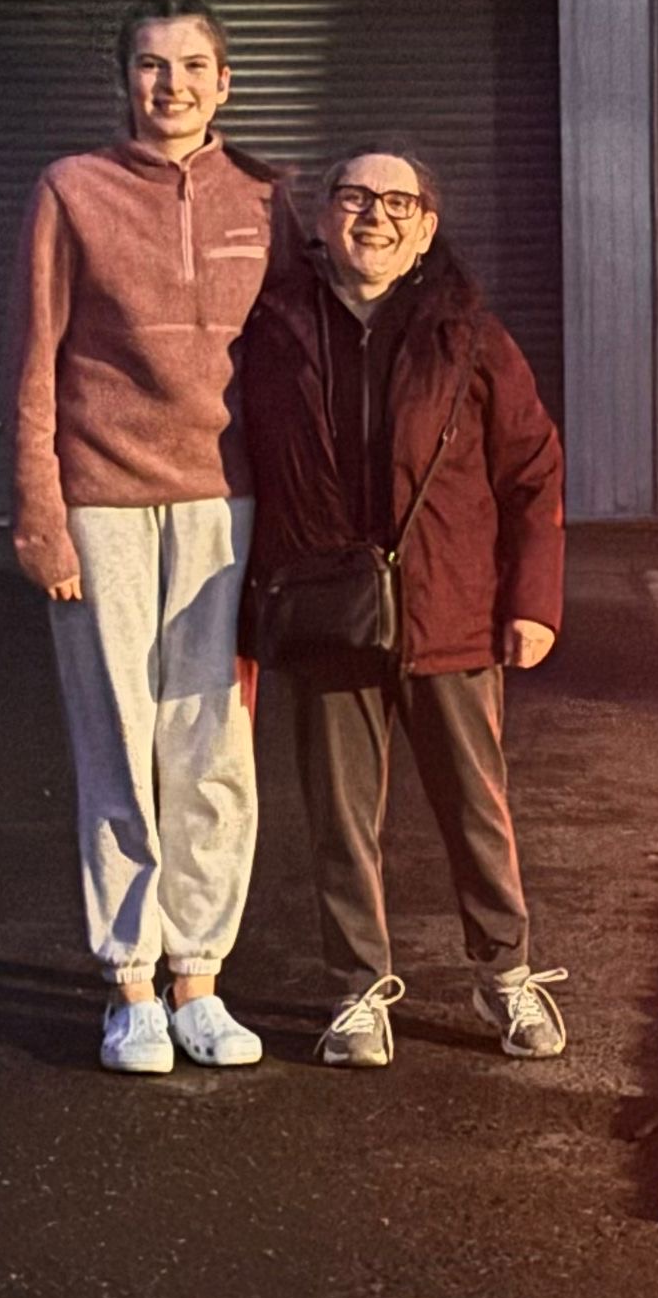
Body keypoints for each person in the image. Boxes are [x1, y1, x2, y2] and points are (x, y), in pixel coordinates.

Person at [241, 148, 567, 1068]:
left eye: (398, 202)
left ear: (425, 230)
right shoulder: (272, 330)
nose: (373, 216)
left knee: (474, 807)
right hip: (324, 615)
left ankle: (506, 975)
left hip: (450, 611)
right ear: (323, 220)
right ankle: (357, 992)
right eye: (354, 197)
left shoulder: (469, 338)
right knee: (341, 819)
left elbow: (534, 471)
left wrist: (533, 600)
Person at [7, 0, 282, 1074]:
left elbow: (292, 365)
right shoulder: (72, 191)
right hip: (102, 503)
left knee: (212, 750)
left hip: (229, 507)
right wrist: (40, 513)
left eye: (192, 67)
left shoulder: (267, 198)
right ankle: (131, 985)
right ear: (122, 78)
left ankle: (201, 976)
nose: (171, 86)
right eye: (151, 67)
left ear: (225, 83)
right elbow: (35, 358)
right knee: (117, 742)